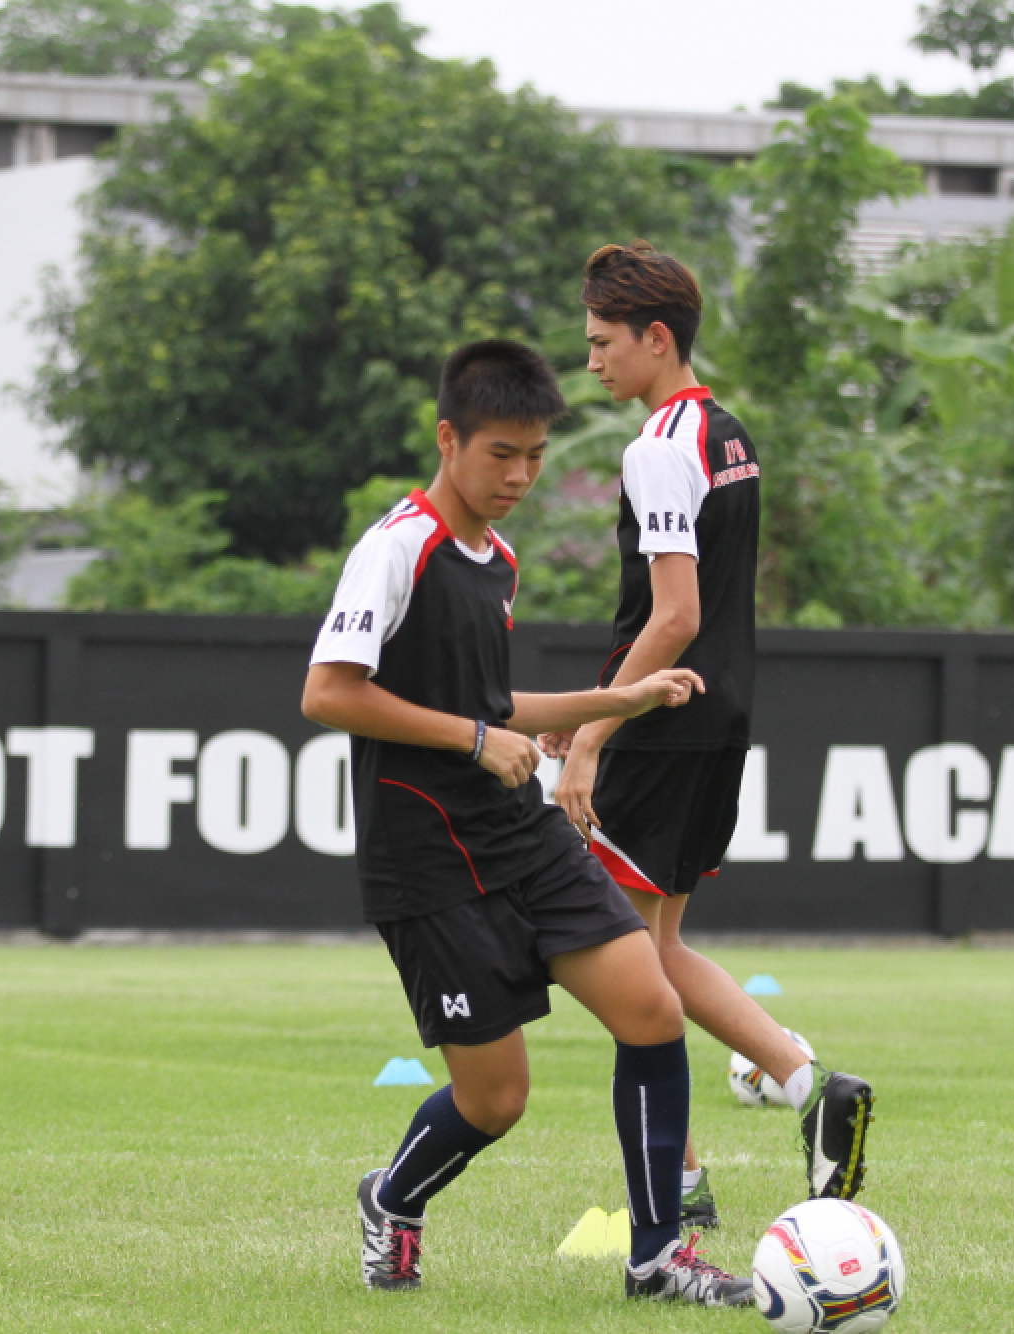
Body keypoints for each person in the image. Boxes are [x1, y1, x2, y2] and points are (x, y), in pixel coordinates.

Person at [302, 339, 751, 1305]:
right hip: (424, 856)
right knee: (496, 1101)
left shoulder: (498, 560)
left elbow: (496, 708)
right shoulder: (397, 546)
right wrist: (470, 740)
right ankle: (393, 1198)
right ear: (448, 438)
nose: (519, 476)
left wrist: (613, 706)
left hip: (518, 831)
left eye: (537, 457)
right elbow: (329, 695)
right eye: (500, 453)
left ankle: (658, 1256)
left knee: (650, 1006)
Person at [548, 241, 874, 1223]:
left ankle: (679, 1181)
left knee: (608, 957)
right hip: (718, 716)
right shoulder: (726, 431)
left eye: (604, 342)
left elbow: (676, 612)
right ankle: (805, 1088)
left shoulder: (657, 444)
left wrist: (595, 729)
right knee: (649, 950)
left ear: (657, 338)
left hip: (660, 715)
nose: (591, 361)